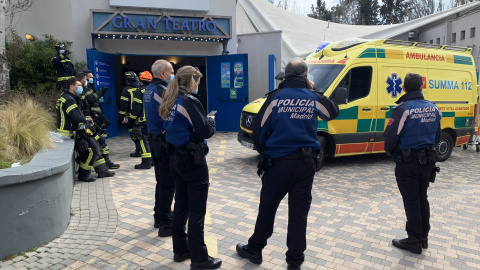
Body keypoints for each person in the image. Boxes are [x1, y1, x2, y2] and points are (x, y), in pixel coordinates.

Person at [236, 60, 339, 270]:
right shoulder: (313, 97)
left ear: (285, 75)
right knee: (299, 214)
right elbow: (332, 112)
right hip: (306, 164)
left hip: (278, 164)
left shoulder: (275, 97)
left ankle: (255, 249)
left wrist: (265, 154)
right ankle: (294, 261)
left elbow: (259, 129)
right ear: (305, 77)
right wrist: (315, 89)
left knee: (267, 209)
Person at [159, 66, 221, 270]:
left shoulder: (171, 99)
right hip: (193, 162)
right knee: (196, 211)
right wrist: (210, 122)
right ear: (191, 82)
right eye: (197, 82)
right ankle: (200, 258)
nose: (198, 85)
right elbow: (204, 131)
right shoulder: (189, 101)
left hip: (175, 159)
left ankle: (181, 250)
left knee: (181, 206)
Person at [384, 73, 441, 254]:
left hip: (408, 162)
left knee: (411, 201)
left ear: (404, 88)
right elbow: (437, 136)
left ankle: (414, 240)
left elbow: (390, 138)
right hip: (428, 162)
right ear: (422, 87)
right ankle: (423, 237)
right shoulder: (434, 109)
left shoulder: (403, 109)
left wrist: (392, 152)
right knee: (422, 198)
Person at [144, 60, 176, 236]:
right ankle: (165, 223)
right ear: (163, 73)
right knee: (168, 184)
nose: (173, 75)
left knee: (161, 181)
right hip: (163, 141)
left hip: (154, 140)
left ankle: (158, 216)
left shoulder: (149, 90)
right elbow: (172, 115)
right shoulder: (163, 92)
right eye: (171, 72)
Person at [56, 78, 97, 182]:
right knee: (93, 150)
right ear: (71, 86)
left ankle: (85, 169)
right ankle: (84, 174)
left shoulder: (67, 97)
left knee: (92, 148)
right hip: (69, 133)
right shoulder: (69, 99)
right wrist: (86, 126)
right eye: (78, 85)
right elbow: (77, 117)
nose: (81, 87)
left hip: (70, 132)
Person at [82, 70, 120, 170]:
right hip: (93, 117)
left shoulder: (90, 87)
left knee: (102, 135)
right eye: (90, 77)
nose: (92, 79)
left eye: (92, 78)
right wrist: (101, 92)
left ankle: (106, 162)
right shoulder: (84, 89)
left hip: (97, 116)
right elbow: (91, 99)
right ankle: (105, 163)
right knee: (99, 140)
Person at [130, 71, 153, 169]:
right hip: (154, 121)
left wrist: (132, 120)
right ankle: (153, 161)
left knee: (144, 140)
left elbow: (136, 108)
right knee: (153, 141)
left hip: (144, 121)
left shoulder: (139, 91)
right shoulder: (154, 90)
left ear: (140, 80)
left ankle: (146, 162)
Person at [119, 71, 142, 157]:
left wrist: (121, 117)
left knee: (134, 134)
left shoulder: (126, 90)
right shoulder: (141, 88)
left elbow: (123, 105)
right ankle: (141, 149)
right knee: (141, 133)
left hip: (131, 116)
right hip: (141, 115)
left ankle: (139, 150)